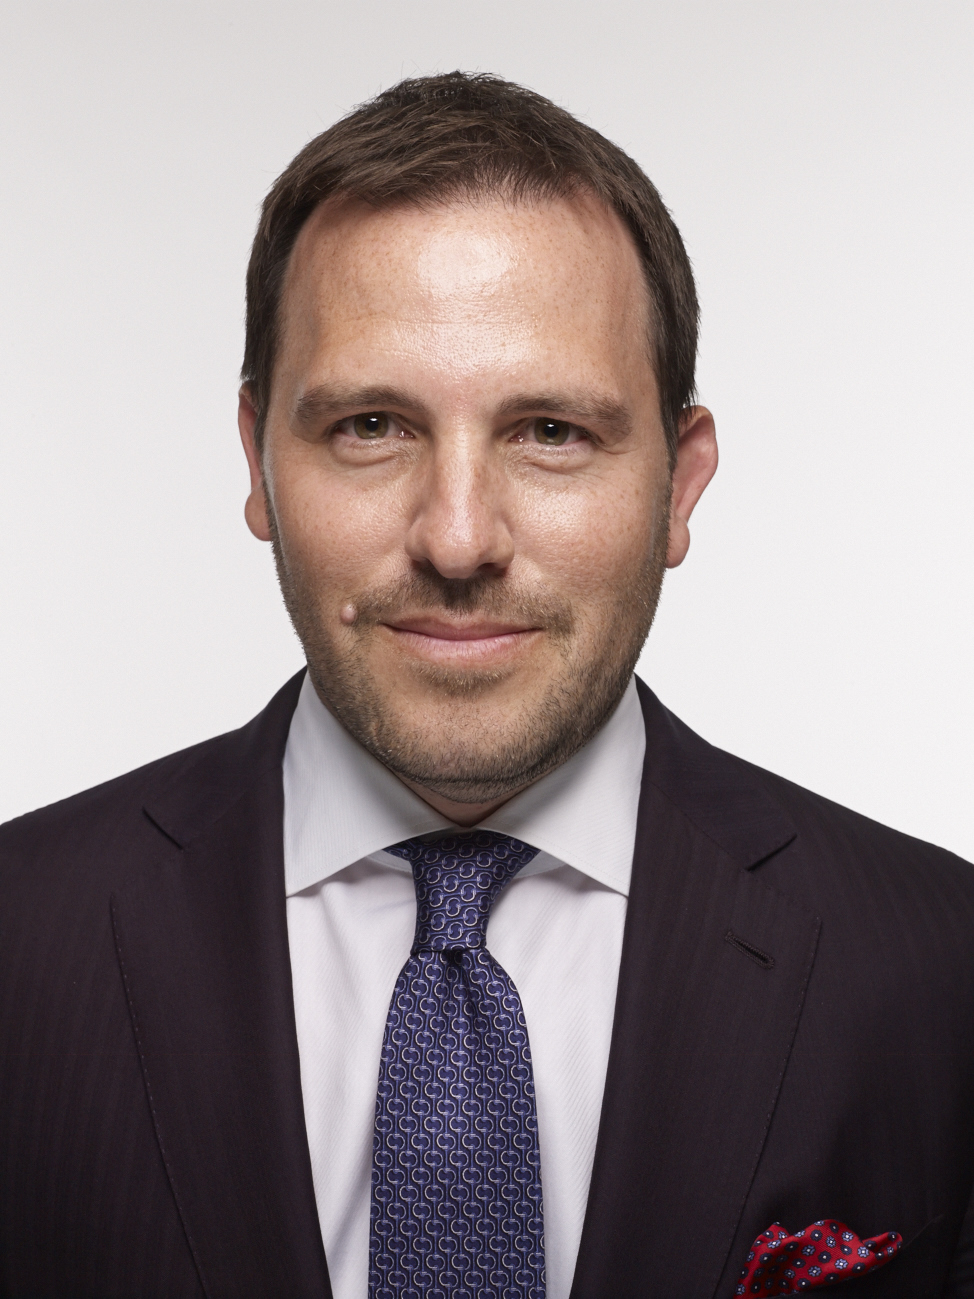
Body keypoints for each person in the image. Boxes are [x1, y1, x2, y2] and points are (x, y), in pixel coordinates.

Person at [0, 70, 972, 1299]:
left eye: (550, 432)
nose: (457, 540)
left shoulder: (938, 966)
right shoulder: (21, 943)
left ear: (678, 484)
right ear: (257, 462)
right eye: (369, 426)